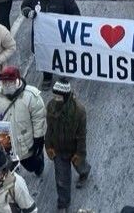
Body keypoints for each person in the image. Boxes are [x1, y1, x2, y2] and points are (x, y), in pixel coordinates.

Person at [0, 67, 46, 179]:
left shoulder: (31, 96)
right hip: (7, 145)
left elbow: (38, 118)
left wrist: (38, 138)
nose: (7, 84)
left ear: (17, 80)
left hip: (26, 144)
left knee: (31, 166)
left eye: (10, 81)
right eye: (4, 82)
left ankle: (38, 162)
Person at [43, 79, 90, 211]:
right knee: (61, 179)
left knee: (80, 164)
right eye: (55, 96)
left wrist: (80, 153)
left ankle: (84, 172)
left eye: (59, 97)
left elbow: (82, 135)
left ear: (66, 96)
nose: (56, 99)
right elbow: (49, 129)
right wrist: (48, 146)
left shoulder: (79, 111)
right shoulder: (51, 107)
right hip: (58, 150)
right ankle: (63, 203)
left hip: (74, 147)